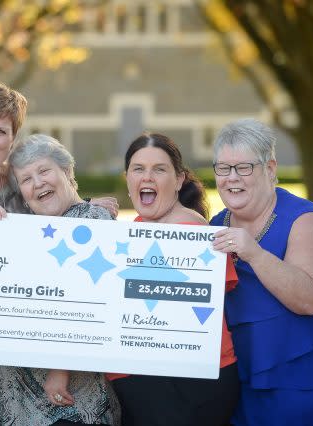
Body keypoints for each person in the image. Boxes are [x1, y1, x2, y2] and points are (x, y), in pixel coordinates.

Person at [0, 79, 118, 425]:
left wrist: (88, 209)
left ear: (13, 137)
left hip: (30, 354)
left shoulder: (22, 183)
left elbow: (61, 233)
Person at [0, 133, 120, 425]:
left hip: (61, 396)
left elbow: (90, 306)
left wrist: (60, 369)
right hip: (13, 396)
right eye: (26, 179)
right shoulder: (30, 229)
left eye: (44, 171)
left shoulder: (93, 222)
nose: (37, 183)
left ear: (67, 172)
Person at [210, 118, 313, 426]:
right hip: (244, 397)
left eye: (244, 167)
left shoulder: (305, 221)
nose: (232, 178)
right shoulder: (216, 226)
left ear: (270, 168)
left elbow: (311, 299)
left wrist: (254, 253)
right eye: (223, 168)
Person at [108, 133, 239, 426]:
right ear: (127, 178)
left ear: (179, 180)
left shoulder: (189, 230)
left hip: (192, 382)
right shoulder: (138, 229)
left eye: (159, 169)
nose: (147, 176)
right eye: (138, 169)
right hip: (154, 376)